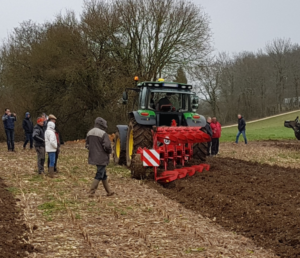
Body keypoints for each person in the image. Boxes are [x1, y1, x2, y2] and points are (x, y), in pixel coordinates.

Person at [86, 117, 114, 197]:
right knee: (99, 174)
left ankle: (109, 192)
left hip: (93, 156)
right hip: (102, 157)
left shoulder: (89, 132)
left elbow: (87, 145)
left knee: (103, 174)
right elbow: (107, 146)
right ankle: (91, 192)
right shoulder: (103, 134)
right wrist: (109, 152)